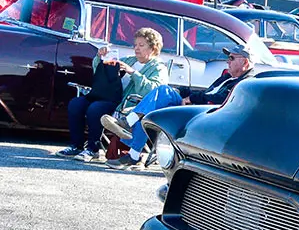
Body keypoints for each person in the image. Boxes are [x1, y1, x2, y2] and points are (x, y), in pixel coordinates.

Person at [100, 45, 256, 169]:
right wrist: (181, 92)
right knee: (151, 108)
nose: (227, 61)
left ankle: (129, 125)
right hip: (194, 107)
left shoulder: (244, 83)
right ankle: (133, 154)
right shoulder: (227, 77)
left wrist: (191, 98)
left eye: (231, 58)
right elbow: (206, 92)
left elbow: (220, 99)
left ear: (245, 62)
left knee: (162, 92)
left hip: (202, 114)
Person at [57, 28, 168, 162]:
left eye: (141, 45)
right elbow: (100, 72)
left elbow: (154, 91)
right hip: (108, 96)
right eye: (135, 45)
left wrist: (133, 73)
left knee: (95, 108)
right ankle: (76, 146)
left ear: (153, 48)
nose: (136, 48)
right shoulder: (129, 60)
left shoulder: (158, 68)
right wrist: (100, 57)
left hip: (127, 105)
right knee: (76, 104)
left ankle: (93, 149)